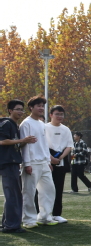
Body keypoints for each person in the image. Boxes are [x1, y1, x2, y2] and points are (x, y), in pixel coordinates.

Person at [0, 100, 37, 233]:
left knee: (13, 194)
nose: (21, 112)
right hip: (8, 163)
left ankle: (7, 223)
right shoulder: (6, 123)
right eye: (18, 109)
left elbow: (14, 144)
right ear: (10, 110)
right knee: (14, 195)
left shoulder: (14, 125)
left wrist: (25, 142)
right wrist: (23, 140)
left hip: (12, 162)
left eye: (22, 109)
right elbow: (2, 141)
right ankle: (11, 226)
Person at [20, 95, 57, 227]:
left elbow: (44, 144)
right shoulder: (26, 124)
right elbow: (24, 145)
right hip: (32, 163)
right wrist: (27, 164)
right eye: (38, 106)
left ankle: (45, 217)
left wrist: (48, 161)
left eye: (42, 106)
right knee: (29, 192)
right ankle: (28, 220)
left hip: (43, 163)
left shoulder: (42, 124)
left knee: (49, 190)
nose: (41, 108)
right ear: (31, 107)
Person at [45, 105, 74, 223]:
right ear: (51, 115)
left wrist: (60, 157)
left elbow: (69, 146)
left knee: (58, 188)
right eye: (57, 114)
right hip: (46, 162)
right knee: (44, 190)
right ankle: (42, 213)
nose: (59, 116)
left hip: (60, 162)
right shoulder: (44, 127)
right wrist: (50, 158)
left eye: (61, 114)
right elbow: (41, 145)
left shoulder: (66, 129)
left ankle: (56, 214)